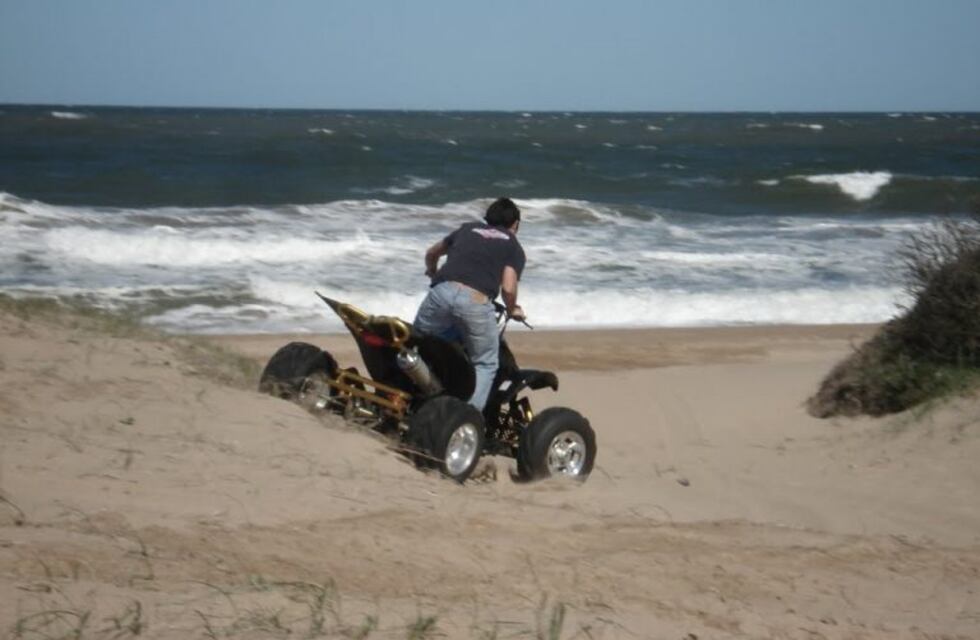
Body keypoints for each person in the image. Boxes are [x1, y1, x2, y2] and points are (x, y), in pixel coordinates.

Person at [413, 197, 526, 411]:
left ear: (488, 218)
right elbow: (509, 288)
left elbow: (431, 253)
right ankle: (466, 418)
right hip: (476, 301)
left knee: (419, 343)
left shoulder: (467, 230)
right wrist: (513, 309)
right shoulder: (512, 245)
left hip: (441, 293)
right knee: (486, 363)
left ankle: (411, 394)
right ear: (516, 224)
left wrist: (433, 271)